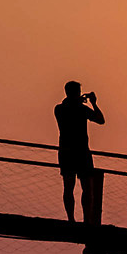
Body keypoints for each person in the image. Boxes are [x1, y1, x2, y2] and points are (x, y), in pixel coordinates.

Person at [54, 81, 105, 221]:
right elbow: (101, 120)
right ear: (76, 93)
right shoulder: (81, 109)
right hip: (82, 152)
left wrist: (80, 101)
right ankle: (86, 219)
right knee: (87, 188)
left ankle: (71, 219)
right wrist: (93, 103)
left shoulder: (59, 109)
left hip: (66, 152)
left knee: (69, 187)